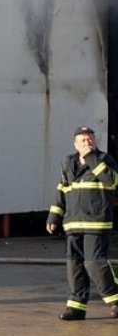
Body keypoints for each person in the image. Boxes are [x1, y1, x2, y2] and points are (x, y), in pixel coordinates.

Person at [46, 125, 118, 321]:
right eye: (83, 140)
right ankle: (76, 307)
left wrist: (91, 159)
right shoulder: (68, 162)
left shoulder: (104, 160)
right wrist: (54, 216)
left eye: (91, 139)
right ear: (75, 144)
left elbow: (112, 181)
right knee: (74, 265)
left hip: (96, 222)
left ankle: (115, 300)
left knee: (94, 263)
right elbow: (61, 190)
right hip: (73, 223)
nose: (88, 143)